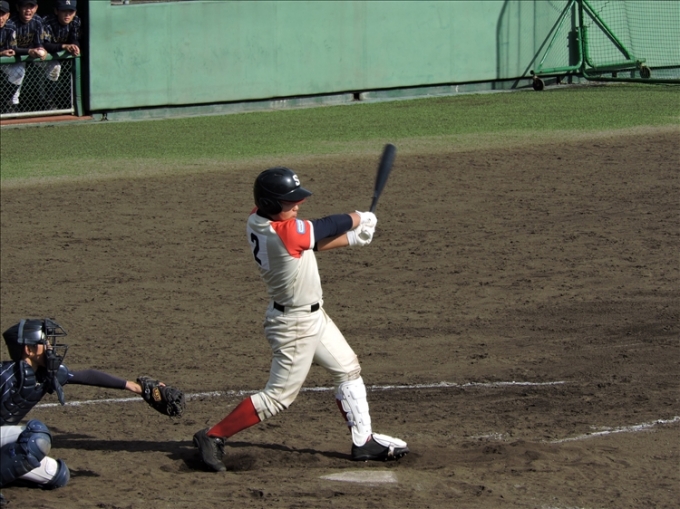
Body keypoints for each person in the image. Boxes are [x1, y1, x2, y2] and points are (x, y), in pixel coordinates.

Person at [193, 167, 409, 472]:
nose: (298, 204)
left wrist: (352, 238)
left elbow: (311, 243)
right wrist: (359, 217)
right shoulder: (284, 232)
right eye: (289, 201)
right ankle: (213, 436)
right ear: (270, 204)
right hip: (295, 326)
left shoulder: (259, 219)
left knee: (347, 368)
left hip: (313, 317)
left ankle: (364, 441)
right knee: (278, 397)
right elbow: (323, 227)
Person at [0, 318, 178, 506]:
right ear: (28, 350)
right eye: (45, 343)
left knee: (57, 475)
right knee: (36, 437)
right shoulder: (6, 376)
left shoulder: (45, 374)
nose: (50, 347)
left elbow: (86, 376)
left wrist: (136, 388)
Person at [6, 0, 47, 110]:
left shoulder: (38, 20)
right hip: (14, 57)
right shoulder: (11, 22)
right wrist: (29, 51)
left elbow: (39, 43)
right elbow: (12, 48)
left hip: (31, 55)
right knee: (19, 71)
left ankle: (46, 100)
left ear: (36, 8)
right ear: (18, 8)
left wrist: (41, 49)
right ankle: (11, 103)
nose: (28, 10)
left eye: (31, 6)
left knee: (54, 67)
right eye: (25, 6)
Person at [42, 0, 80, 105]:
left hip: (60, 56)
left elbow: (75, 39)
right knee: (55, 67)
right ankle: (48, 102)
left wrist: (75, 46)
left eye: (70, 11)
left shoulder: (76, 20)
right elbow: (45, 44)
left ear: (75, 12)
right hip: (42, 56)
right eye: (64, 11)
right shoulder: (47, 21)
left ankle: (56, 100)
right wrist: (64, 46)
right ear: (56, 11)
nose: (67, 14)